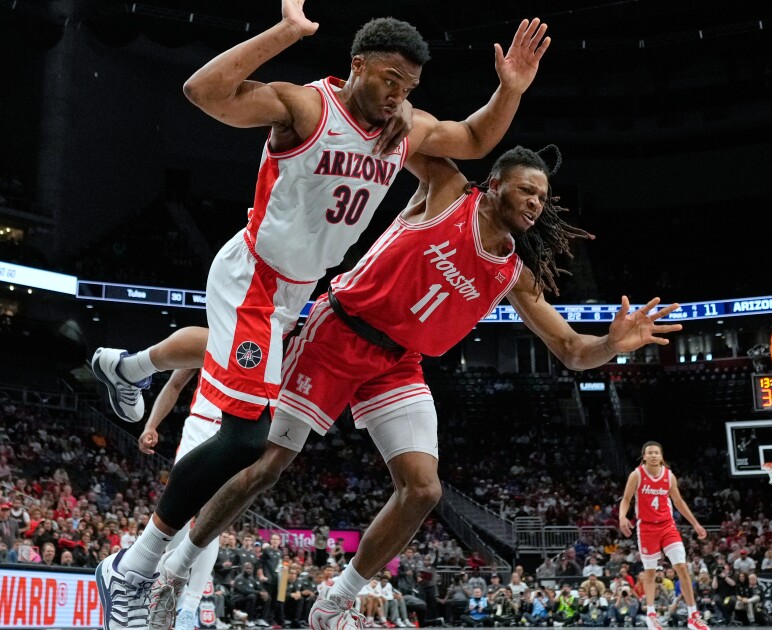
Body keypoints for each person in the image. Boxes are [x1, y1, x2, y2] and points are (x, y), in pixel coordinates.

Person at [92, 4, 551, 628]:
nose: (397, 95)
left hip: (296, 293)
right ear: (356, 64)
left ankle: (126, 368)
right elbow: (203, 90)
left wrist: (509, 90)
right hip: (253, 277)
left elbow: (472, 139)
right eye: (389, 78)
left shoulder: (403, 128)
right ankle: (137, 566)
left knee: (243, 432)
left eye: (408, 87)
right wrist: (284, 34)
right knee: (247, 439)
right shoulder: (307, 108)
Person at [153, 146, 682, 630]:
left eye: (543, 197)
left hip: (398, 363)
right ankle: (174, 570)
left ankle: (333, 604)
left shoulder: (514, 273)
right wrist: (504, 96)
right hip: (338, 333)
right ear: (495, 183)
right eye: (527, 190)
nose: (536, 203)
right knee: (263, 467)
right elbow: (406, 136)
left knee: (424, 489)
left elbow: (570, 349)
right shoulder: (450, 190)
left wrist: (613, 344)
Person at [132, 329, 226, 630]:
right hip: (199, 427)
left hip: (234, 433)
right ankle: (158, 591)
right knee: (180, 517)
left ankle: (189, 607)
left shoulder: (269, 338)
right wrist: (151, 424)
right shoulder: (210, 338)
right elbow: (174, 384)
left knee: (213, 519)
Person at [617, 442, 710, 630]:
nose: (653, 455)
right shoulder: (637, 475)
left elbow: (678, 501)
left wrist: (695, 524)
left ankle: (693, 616)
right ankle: (651, 615)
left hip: (668, 526)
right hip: (647, 528)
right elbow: (626, 499)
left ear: (661, 456)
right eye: (649, 452)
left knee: (682, 568)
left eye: (656, 452)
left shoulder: (669, 476)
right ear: (644, 457)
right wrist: (622, 517)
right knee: (650, 572)